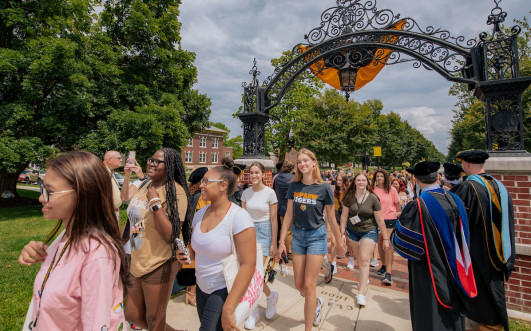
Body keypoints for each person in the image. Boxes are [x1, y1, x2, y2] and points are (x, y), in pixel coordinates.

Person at [18, 151, 129, 330]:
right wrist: (44, 253)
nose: (41, 198)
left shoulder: (97, 256)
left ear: (83, 193)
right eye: (42, 189)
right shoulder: (66, 237)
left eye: (49, 191)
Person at [391, 161, 477, 331]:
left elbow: (404, 244)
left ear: (416, 180)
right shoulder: (454, 199)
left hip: (430, 269)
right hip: (458, 265)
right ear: (437, 177)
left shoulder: (420, 205)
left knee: (431, 313)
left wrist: (401, 221)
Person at [177, 157, 256, 331]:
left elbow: (248, 264)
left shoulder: (239, 217)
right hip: (201, 286)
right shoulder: (199, 215)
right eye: (202, 181)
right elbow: (196, 249)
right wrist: (185, 254)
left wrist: (229, 307)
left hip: (223, 289)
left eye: (207, 181)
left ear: (223, 185)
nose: (201, 185)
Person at [124, 148, 193, 331]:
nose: (151, 164)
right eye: (151, 160)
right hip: (137, 258)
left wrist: (155, 202)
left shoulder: (176, 193)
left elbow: (171, 235)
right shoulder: (145, 185)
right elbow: (132, 215)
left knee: (154, 319)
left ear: (170, 166)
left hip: (159, 262)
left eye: (157, 162)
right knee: (131, 314)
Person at [278, 149, 345, 330]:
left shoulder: (324, 187)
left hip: (317, 236)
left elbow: (331, 218)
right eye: (299, 161)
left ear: (314, 162)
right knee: (300, 285)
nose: (302, 164)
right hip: (298, 237)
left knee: (309, 285)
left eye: (306, 160)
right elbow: (289, 214)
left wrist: (339, 243)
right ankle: (316, 303)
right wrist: (281, 242)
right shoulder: (294, 185)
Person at [451, 149, 515, 331]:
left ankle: (490, 324)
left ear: (467, 164)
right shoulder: (499, 186)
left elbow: (457, 220)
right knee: (493, 289)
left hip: (477, 251)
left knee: (483, 294)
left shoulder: (468, 187)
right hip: (500, 250)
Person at [340, 172, 389, 307]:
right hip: (352, 231)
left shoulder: (373, 198)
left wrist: (385, 238)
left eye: (363, 180)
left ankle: (361, 292)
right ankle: (364, 277)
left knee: (364, 259)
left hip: (369, 231)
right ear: (354, 182)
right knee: (358, 258)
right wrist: (342, 232)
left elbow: (379, 219)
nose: (361, 182)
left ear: (368, 182)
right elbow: (344, 216)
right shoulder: (349, 197)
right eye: (358, 180)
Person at [241, 162, 279, 329]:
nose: (254, 175)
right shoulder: (245, 193)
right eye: (251, 173)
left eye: (257, 172)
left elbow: (273, 219)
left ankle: (258, 308)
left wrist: (274, 243)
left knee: (256, 273)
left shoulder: (270, 193)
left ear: (263, 174)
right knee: (249, 273)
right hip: (248, 231)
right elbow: (242, 217)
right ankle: (265, 301)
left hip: (264, 232)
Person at [372, 169, 401, 284]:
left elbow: (398, 205)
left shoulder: (392, 190)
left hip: (390, 219)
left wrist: (399, 215)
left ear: (385, 178)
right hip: (377, 220)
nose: (379, 179)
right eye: (377, 176)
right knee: (379, 244)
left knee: (387, 245)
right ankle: (383, 265)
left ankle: (388, 273)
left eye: (381, 176)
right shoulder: (372, 190)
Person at [273, 161, 295, 257]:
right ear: (292, 169)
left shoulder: (277, 178)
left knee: (284, 228)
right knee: (289, 230)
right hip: (291, 206)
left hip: (280, 206)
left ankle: (286, 247)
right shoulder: (293, 178)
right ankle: (289, 250)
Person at [103, 150, 124, 219]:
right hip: (107, 213)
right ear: (109, 160)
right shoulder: (102, 173)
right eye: (119, 158)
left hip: (113, 212)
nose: (121, 160)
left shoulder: (111, 172)